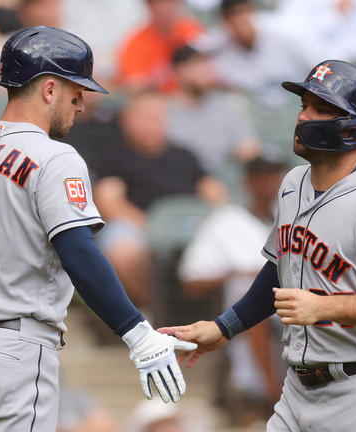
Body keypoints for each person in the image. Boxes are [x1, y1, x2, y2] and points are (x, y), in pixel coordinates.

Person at [0, 26, 198, 432]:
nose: (81, 105)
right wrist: (138, 335)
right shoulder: (55, 157)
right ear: (49, 89)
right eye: (75, 92)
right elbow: (80, 252)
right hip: (12, 356)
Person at [160, 60, 356, 432]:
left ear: (353, 125)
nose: (303, 116)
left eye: (320, 108)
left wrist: (322, 306)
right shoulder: (292, 183)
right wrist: (224, 328)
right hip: (297, 390)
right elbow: (279, 269)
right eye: (303, 105)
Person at [177, 153, 288, 425]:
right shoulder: (225, 220)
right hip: (246, 315)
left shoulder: (294, 219)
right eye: (262, 175)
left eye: (274, 175)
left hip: (294, 310)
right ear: (247, 181)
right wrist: (237, 272)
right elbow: (190, 281)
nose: (268, 183)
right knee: (245, 292)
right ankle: (269, 394)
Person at [91, 88, 228, 308]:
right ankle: (154, 311)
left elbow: (215, 193)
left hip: (190, 227)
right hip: (141, 228)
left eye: (159, 117)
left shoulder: (184, 154)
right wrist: (153, 227)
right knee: (121, 250)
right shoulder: (114, 157)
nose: (153, 123)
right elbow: (109, 203)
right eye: (146, 116)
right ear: (127, 120)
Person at [166, 44, 261, 175]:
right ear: (181, 70)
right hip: (178, 179)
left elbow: (249, 147)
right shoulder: (162, 111)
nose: (208, 70)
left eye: (209, 64)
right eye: (200, 64)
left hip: (224, 178)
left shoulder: (227, 104)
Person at [116, 0, 206, 94]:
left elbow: (209, 68)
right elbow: (133, 84)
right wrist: (154, 79)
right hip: (161, 100)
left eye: (170, 2)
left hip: (195, 97)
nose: (165, 8)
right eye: (159, 3)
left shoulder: (192, 30)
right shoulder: (135, 43)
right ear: (148, 5)